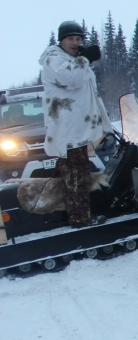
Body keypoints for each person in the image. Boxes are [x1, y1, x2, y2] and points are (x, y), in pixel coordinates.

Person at [39, 20, 112, 227]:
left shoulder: (73, 60)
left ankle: (71, 213)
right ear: (61, 40)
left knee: (77, 172)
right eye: (70, 38)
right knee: (76, 176)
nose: (75, 42)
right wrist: (85, 58)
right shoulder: (54, 59)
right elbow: (72, 80)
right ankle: (80, 220)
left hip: (78, 129)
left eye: (78, 39)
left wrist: (101, 122)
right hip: (67, 131)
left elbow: (89, 93)